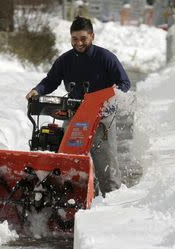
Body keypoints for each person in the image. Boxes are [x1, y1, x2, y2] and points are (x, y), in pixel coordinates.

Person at [26, 16, 131, 196]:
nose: (79, 42)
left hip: (101, 119)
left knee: (106, 164)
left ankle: (112, 201)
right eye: (75, 38)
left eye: (83, 38)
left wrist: (106, 97)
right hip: (74, 117)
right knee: (69, 161)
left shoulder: (105, 58)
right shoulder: (65, 60)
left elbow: (124, 83)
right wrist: (37, 90)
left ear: (92, 36)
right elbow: (51, 81)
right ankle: (72, 196)